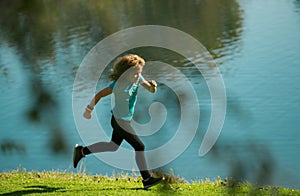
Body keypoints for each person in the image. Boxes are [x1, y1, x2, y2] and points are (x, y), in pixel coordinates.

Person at [73, 54, 162, 189]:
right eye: (135, 73)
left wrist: (153, 86)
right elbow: (99, 95)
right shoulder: (118, 84)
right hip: (120, 122)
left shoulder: (138, 79)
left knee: (112, 146)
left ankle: (82, 151)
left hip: (125, 120)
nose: (138, 76)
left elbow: (150, 89)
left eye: (139, 73)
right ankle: (147, 179)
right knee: (140, 146)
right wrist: (88, 110)